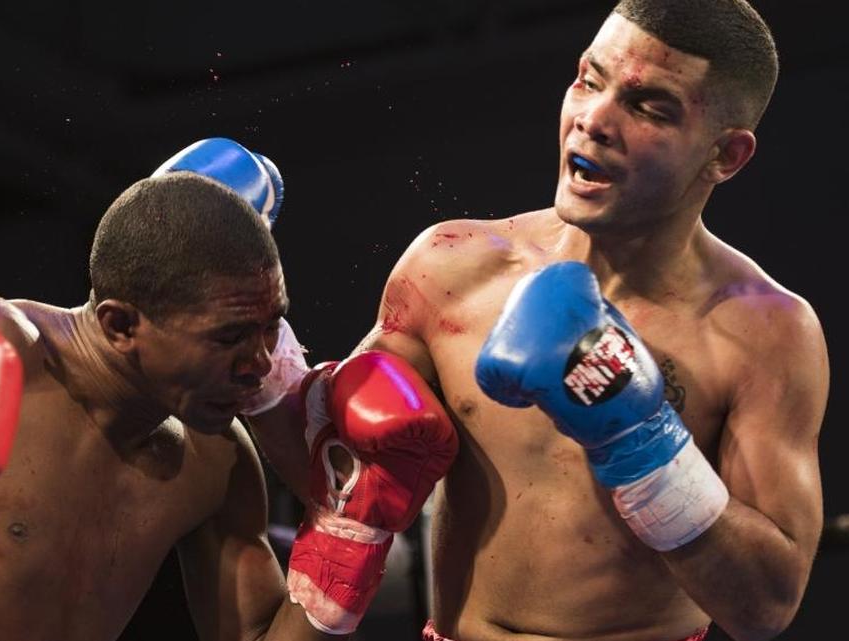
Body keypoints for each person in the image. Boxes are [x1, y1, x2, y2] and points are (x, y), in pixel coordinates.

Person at [245, 2, 828, 640]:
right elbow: (335, 471)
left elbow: (767, 607)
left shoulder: (764, 333)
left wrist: (646, 447)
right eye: (588, 79)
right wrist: (253, 336)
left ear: (726, 156)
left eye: (649, 107)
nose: (594, 119)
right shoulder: (452, 270)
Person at [0, 139, 457, 641]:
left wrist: (353, 533)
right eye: (230, 338)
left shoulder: (216, 460)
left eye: (274, 328)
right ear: (120, 322)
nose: (262, 365)